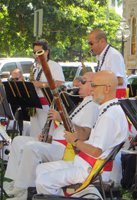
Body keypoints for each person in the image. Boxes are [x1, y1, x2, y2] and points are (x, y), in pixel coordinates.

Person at [4, 72, 99, 200]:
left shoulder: (92, 105)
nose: (78, 83)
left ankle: (23, 191)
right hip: (55, 144)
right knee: (18, 140)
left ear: (93, 86)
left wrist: (61, 117)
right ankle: (11, 183)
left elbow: (84, 134)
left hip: (66, 149)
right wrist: (48, 138)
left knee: (32, 148)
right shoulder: (84, 103)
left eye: (83, 81)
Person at [36, 70, 128, 197]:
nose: (91, 90)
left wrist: (75, 141)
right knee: (41, 169)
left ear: (107, 88)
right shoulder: (109, 109)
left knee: (44, 180)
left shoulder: (110, 116)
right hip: (85, 164)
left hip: (92, 170)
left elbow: (97, 151)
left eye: (94, 86)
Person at [30, 39, 65, 137]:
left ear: (46, 52)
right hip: (35, 105)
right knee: (35, 135)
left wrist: (41, 84)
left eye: (39, 52)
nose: (36, 55)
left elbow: (60, 83)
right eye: (34, 52)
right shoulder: (35, 66)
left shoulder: (54, 65)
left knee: (47, 134)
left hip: (47, 105)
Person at [88, 29, 127, 98]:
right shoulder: (102, 56)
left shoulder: (113, 55)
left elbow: (119, 81)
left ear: (102, 41)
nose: (90, 47)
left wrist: (96, 82)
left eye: (91, 43)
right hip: (106, 97)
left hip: (115, 98)